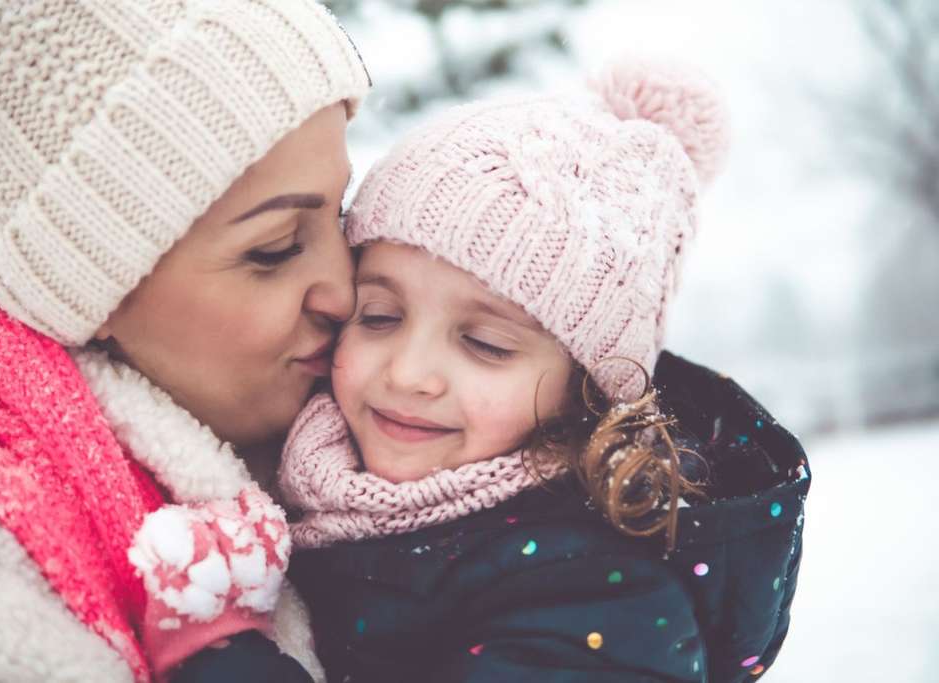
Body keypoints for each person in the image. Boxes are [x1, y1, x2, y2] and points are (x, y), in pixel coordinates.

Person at [276, 60, 811, 682]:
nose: (410, 373)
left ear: (584, 389)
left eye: (484, 344)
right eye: (379, 315)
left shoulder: (594, 593)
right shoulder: (300, 473)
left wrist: (224, 660)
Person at [0, 1, 370, 681]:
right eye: (274, 250)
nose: (344, 289)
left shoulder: (389, 425)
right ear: (87, 282)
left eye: (339, 212)